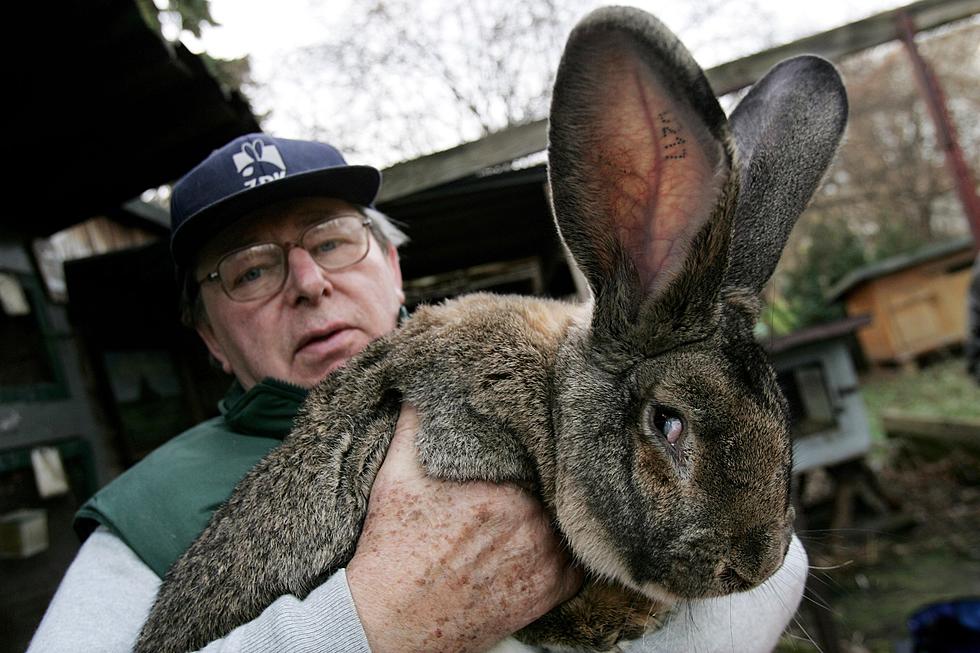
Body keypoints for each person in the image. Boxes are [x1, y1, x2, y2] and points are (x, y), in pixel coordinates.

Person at [29, 133, 808, 652]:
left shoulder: (566, 368)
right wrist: (374, 620)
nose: (309, 281)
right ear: (206, 334)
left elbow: (767, 568)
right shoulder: (143, 517)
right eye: (252, 269)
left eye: (332, 239)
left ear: (393, 265)